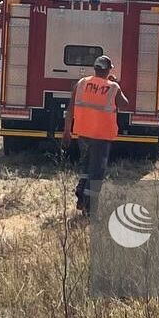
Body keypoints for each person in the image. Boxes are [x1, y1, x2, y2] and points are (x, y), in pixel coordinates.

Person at [63, 55, 129, 213]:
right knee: (96, 173)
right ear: (107, 70)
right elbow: (124, 104)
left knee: (86, 167)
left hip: (83, 134)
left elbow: (70, 109)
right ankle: (89, 209)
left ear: (95, 68)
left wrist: (67, 131)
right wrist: (116, 84)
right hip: (101, 136)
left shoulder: (81, 83)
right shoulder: (112, 87)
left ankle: (81, 192)